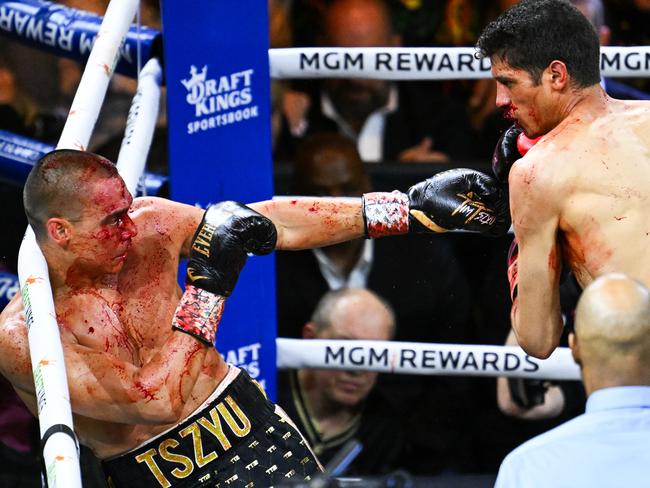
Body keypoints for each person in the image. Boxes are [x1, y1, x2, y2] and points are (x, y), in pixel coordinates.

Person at [0, 149, 507, 487]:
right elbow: (154, 401)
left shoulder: (149, 227)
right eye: (113, 221)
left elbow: (260, 224)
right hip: (154, 470)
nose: (130, 229)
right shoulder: (26, 335)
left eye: (128, 211)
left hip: (244, 421)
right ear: (60, 231)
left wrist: (404, 209)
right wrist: (208, 289)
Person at [477, 0, 650, 359]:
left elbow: (538, 339)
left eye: (508, 83)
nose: (499, 100)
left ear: (557, 75)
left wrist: (515, 243)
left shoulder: (536, 173)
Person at [495, 272, 650, 487]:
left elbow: (517, 396)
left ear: (574, 347)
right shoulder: (527, 464)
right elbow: (516, 399)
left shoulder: (528, 465)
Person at [274, 0, 475, 163]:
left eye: (370, 60)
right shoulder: (290, 118)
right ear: (321, 47)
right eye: (342, 60)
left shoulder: (440, 119)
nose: (355, 75)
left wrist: (421, 183)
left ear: (396, 46)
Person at [277, 288, 404, 475]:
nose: (357, 369)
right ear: (310, 338)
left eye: (374, 353)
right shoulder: (265, 395)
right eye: (344, 348)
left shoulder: (387, 426)